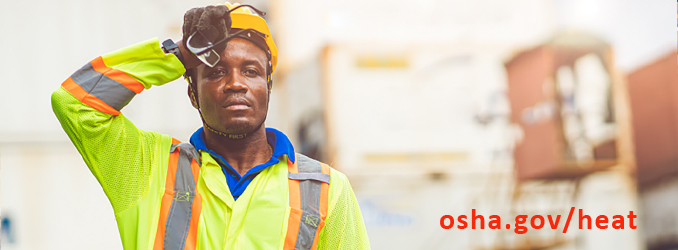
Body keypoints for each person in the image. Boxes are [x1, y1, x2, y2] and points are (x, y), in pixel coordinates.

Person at [51, 3, 370, 250]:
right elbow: (74, 103)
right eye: (216, 72)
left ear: (267, 88)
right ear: (193, 93)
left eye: (251, 71)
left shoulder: (325, 189)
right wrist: (179, 54)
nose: (236, 83)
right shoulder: (149, 169)